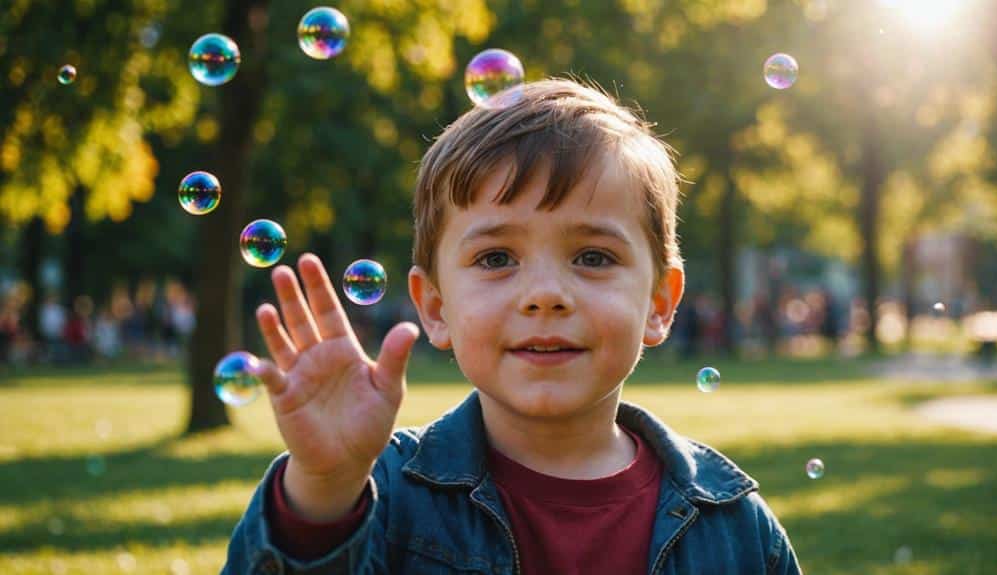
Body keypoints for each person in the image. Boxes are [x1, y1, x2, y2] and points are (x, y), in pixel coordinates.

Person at [223, 78, 801, 574]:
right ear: (434, 305)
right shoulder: (384, 496)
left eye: (593, 257)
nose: (545, 295)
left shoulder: (734, 527)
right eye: (496, 258)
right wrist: (323, 487)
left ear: (659, 302)